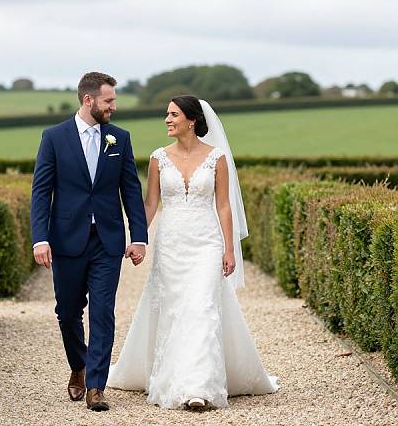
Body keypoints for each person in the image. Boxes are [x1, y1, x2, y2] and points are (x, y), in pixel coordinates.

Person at [107, 95, 279, 409]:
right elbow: (150, 205)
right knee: (173, 311)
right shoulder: (158, 157)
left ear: (192, 120)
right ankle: (174, 375)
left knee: (201, 308)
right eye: (167, 114)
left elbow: (224, 206)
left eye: (173, 114)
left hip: (206, 243)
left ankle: (199, 387)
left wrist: (229, 249)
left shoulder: (217, 157)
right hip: (171, 244)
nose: (167, 120)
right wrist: (136, 238)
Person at [30, 72, 148, 412]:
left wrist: (138, 237)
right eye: (109, 101)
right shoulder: (54, 137)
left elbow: (131, 190)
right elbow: (41, 192)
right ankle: (79, 365)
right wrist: (40, 238)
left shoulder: (119, 139)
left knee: (103, 312)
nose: (114, 106)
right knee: (67, 312)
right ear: (88, 100)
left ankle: (96, 385)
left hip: (107, 241)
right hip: (66, 240)